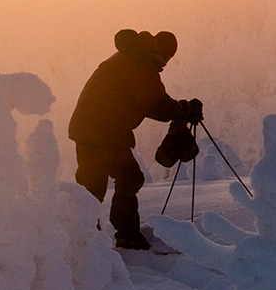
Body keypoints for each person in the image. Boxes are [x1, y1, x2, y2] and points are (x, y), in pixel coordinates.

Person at [68, 28, 202, 250]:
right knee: (92, 189)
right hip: (97, 133)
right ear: (165, 53)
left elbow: (146, 99)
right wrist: (182, 110)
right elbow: (155, 103)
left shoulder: (132, 58)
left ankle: (124, 235)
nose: (166, 64)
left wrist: (180, 109)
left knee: (129, 177)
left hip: (107, 132)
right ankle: (83, 244)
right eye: (168, 58)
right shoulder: (140, 63)